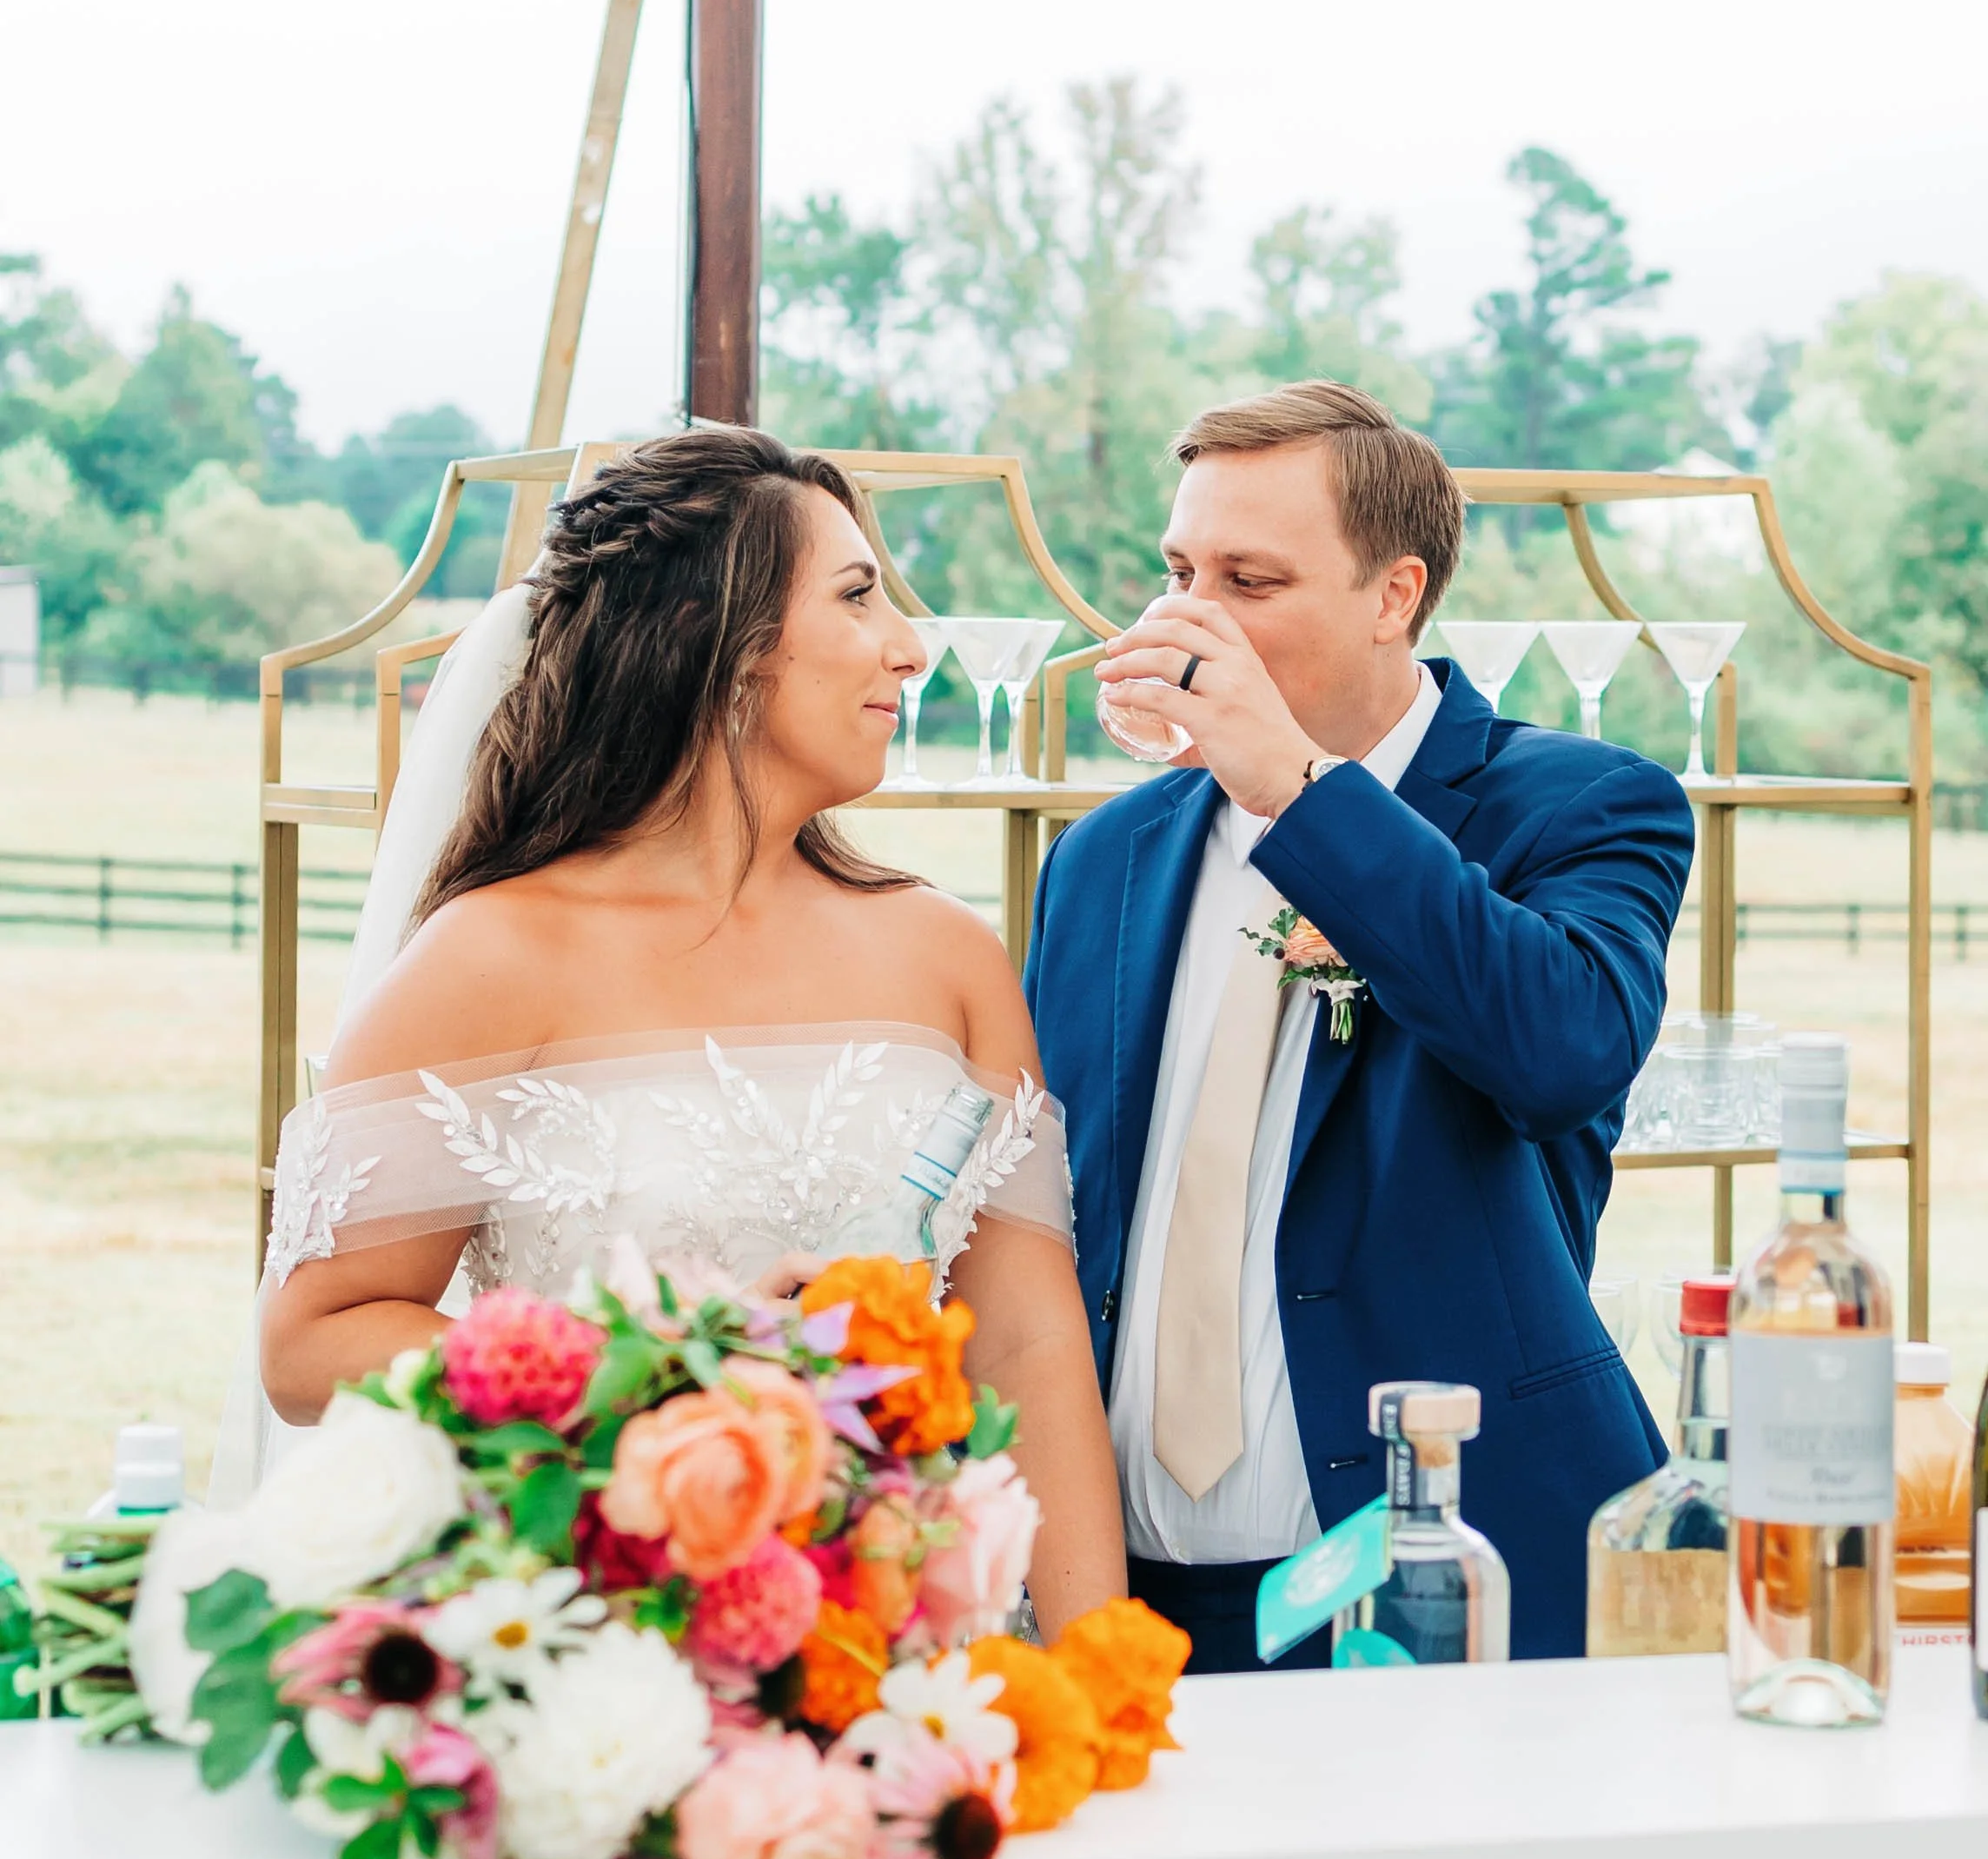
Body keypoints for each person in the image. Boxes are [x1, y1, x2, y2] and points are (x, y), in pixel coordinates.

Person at [227, 427, 1126, 1641]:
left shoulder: (945, 956)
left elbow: (1027, 1340)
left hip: (914, 1650)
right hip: (610, 1638)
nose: (908, 651)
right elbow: (310, 1345)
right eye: (859, 597)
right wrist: (653, 1374)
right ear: (728, 644)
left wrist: (1097, 1669)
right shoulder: (494, 957)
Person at [1024, 382, 1694, 1668]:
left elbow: (1559, 1052)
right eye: (1178, 570)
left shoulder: (1583, 803)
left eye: (1250, 580)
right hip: (1128, 1598)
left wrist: (1297, 790)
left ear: (1395, 596)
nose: (1188, 617)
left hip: (1447, 1575)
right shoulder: (1102, 859)